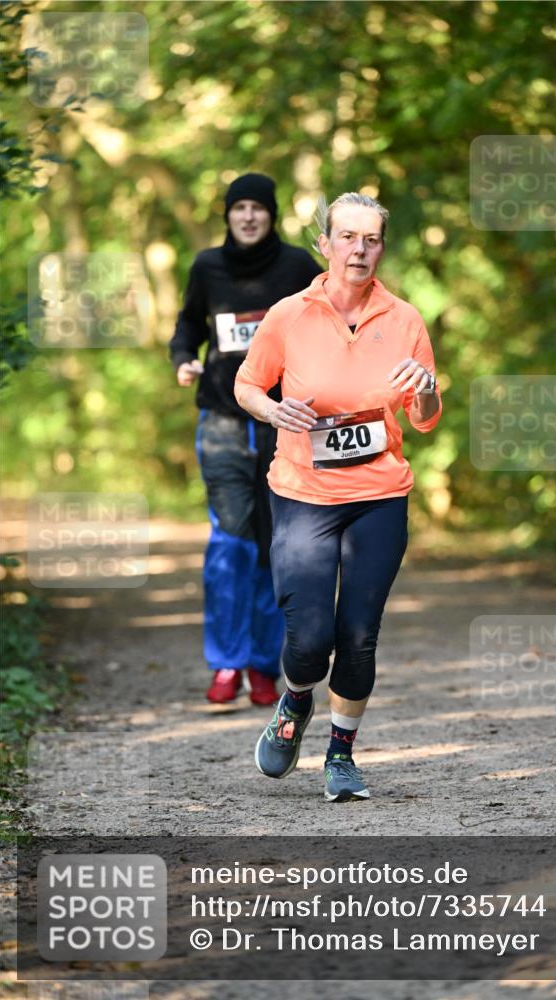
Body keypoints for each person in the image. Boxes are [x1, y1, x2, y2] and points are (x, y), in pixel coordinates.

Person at [234, 192, 441, 800]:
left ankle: (341, 756)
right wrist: (274, 410)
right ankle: (295, 700)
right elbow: (248, 384)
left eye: (371, 239)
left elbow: (425, 418)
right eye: (347, 237)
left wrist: (427, 388)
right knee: (310, 641)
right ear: (324, 244)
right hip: (302, 494)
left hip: (379, 493)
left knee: (359, 635)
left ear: (381, 248)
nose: (359, 248)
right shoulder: (288, 315)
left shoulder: (404, 319)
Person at [170, 173, 321, 706]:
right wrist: (184, 358)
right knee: (230, 541)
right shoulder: (207, 266)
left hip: (284, 422)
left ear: (272, 215)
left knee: (274, 545)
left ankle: (263, 664)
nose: (249, 216)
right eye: (240, 208)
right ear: (228, 215)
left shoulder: (299, 268)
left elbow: (330, 322)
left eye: (259, 207)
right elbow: (188, 324)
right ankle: (226, 664)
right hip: (222, 420)